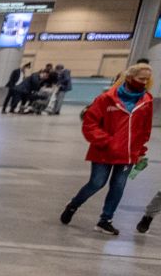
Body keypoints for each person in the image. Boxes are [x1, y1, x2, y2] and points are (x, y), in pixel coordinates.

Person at [61, 60, 152, 236]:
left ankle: (105, 220)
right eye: (141, 78)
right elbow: (90, 124)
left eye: (147, 80)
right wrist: (107, 141)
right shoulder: (106, 98)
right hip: (103, 151)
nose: (144, 83)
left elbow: (144, 129)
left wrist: (141, 151)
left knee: (118, 186)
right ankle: (73, 205)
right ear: (131, 77)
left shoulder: (146, 101)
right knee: (96, 183)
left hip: (128, 154)